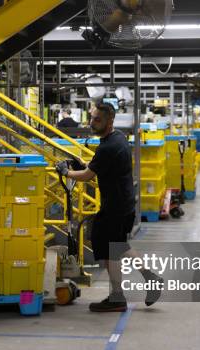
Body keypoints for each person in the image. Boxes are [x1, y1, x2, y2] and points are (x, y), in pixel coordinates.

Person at [55, 103, 163, 312]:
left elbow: (87, 176)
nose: (92, 123)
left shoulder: (109, 146)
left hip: (116, 207)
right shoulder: (117, 138)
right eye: (92, 118)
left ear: (109, 121)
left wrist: (66, 172)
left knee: (111, 249)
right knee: (118, 246)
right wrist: (84, 164)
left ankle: (118, 297)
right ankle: (148, 280)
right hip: (121, 204)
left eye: (97, 119)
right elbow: (97, 167)